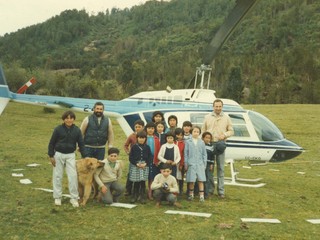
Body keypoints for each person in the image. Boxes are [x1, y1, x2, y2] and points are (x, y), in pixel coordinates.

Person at [48, 110, 87, 207]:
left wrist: (85, 156)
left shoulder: (77, 130)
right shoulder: (58, 129)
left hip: (70, 155)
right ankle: (57, 197)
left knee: (72, 176)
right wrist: (51, 155)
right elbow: (51, 143)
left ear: (73, 119)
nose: (69, 120)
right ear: (64, 119)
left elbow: (81, 144)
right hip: (59, 155)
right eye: (67, 118)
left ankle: (74, 198)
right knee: (57, 176)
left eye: (71, 118)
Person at [201, 99, 234, 198]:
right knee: (209, 167)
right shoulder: (207, 117)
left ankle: (221, 191)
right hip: (209, 144)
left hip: (220, 144)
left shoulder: (226, 118)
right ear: (213, 106)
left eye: (220, 106)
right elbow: (203, 131)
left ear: (222, 107)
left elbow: (231, 131)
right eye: (216, 106)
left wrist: (224, 135)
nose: (218, 108)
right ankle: (210, 189)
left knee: (220, 168)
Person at [184, 126, 207, 202]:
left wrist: (204, 164)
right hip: (191, 164)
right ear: (191, 132)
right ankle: (191, 194)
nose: (196, 133)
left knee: (201, 180)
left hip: (200, 164)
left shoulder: (202, 142)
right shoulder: (188, 142)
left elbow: (204, 154)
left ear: (199, 133)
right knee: (191, 180)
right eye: (194, 131)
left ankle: (201, 196)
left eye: (197, 132)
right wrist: (186, 164)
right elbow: (186, 154)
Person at [129, 131, 153, 204]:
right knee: (136, 182)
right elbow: (131, 157)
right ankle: (134, 195)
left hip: (144, 166)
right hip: (136, 166)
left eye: (143, 138)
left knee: (142, 182)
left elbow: (150, 157)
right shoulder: (134, 147)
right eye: (140, 138)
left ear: (145, 139)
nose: (141, 139)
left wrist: (146, 163)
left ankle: (142, 196)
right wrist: (136, 163)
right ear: (137, 138)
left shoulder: (147, 147)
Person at [123, 120, 145, 196]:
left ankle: (139, 190)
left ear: (143, 127)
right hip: (133, 158)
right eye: (136, 127)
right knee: (131, 174)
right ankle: (128, 189)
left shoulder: (144, 136)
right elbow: (125, 145)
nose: (138, 128)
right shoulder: (132, 136)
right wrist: (128, 152)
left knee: (141, 174)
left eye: (139, 127)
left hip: (142, 158)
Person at [145, 121, 161, 200]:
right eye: (149, 128)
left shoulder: (156, 138)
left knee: (152, 177)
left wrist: (157, 160)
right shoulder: (144, 137)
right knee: (145, 175)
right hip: (145, 159)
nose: (150, 130)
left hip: (153, 159)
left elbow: (158, 150)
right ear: (146, 129)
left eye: (152, 128)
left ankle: (150, 192)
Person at [202, 132, 215, 198]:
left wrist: (211, 164)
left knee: (207, 178)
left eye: (209, 138)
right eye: (206, 137)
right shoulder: (201, 145)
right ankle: (199, 192)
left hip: (208, 164)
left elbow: (212, 156)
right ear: (203, 138)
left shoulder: (211, 146)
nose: (207, 139)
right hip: (201, 164)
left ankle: (206, 193)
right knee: (201, 178)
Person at [174, 128, 185, 195]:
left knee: (180, 177)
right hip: (173, 162)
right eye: (178, 135)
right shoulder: (173, 142)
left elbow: (183, 154)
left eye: (181, 135)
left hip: (180, 162)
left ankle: (180, 189)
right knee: (174, 176)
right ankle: (174, 189)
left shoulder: (183, 144)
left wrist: (181, 164)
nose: (179, 137)